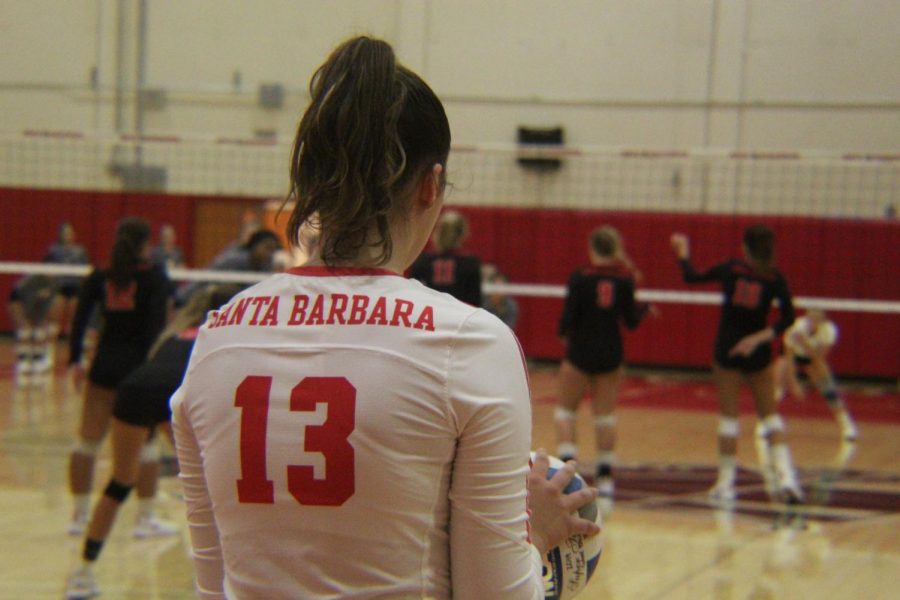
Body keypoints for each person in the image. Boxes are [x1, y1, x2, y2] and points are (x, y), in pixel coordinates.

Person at [171, 36, 599, 600]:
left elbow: (213, 587)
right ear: (431, 185)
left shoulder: (217, 337)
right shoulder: (468, 343)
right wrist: (535, 536)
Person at [65, 285, 240, 600]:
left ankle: (82, 572)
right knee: (212, 489)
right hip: (169, 396)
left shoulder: (177, 333)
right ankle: (215, 576)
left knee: (120, 482)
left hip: (136, 391)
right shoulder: (222, 337)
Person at [671, 225, 803, 504]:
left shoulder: (731, 269)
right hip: (758, 353)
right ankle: (788, 479)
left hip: (727, 349)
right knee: (771, 417)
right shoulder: (774, 278)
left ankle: (726, 483)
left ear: (745, 247)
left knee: (729, 419)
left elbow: (691, 276)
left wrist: (683, 253)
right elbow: (788, 318)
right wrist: (758, 338)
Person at [66, 217, 171, 535]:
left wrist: (74, 359)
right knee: (148, 445)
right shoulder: (155, 277)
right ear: (146, 243)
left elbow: (80, 319)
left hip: (104, 367)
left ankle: (79, 517)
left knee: (87, 442)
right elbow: (155, 328)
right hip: (138, 372)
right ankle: (144, 520)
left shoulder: (101, 274)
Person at [555, 226, 651, 499]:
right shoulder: (624, 279)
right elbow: (631, 321)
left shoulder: (580, 277)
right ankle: (606, 477)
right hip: (611, 351)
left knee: (565, 412)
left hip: (581, 349)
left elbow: (568, 316)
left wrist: (563, 334)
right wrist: (644, 308)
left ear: (592, 248)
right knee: (605, 415)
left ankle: (568, 474)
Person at [773, 309, 858, 441]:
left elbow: (820, 358)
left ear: (822, 322)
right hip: (792, 356)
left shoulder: (829, 331)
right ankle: (765, 425)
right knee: (777, 385)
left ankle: (847, 425)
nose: (811, 323)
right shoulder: (796, 328)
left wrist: (804, 343)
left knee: (828, 388)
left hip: (812, 357)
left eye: (815, 320)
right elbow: (788, 357)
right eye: (809, 319)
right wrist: (794, 383)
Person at [174, 228, 280, 306]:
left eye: (273, 250)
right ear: (254, 246)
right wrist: (181, 298)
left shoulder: (267, 266)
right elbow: (205, 277)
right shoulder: (233, 260)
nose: (270, 253)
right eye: (267, 248)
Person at [410, 209, 482, 306]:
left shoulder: (423, 261)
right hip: (459, 317)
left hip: (430, 315)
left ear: (438, 233)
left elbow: (413, 295)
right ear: (463, 234)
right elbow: (475, 302)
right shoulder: (470, 263)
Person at [7, 273, 59, 385]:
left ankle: (38, 358)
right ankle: (23, 360)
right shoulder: (31, 283)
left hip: (37, 303)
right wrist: (26, 321)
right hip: (18, 299)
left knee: (39, 330)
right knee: (25, 330)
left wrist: (40, 321)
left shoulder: (53, 287)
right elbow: (23, 304)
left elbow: (45, 308)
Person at [44, 222, 90, 338]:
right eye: (65, 233)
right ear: (60, 235)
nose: (67, 235)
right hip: (59, 288)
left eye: (70, 233)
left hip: (75, 287)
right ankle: (49, 350)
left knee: (73, 322)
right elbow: (46, 269)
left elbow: (85, 270)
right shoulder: (53, 250)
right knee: (54, 322)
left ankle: (73, 350)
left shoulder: (80, 251)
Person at [481, 265, 519, 329]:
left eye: (500, 287)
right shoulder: (481, 302)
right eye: (495, 286)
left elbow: (508, 328)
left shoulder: (511, 306)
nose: (497, 291)